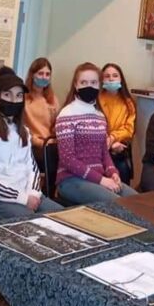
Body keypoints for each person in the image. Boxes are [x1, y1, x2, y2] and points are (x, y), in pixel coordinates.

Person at [0, 67, 63, 219]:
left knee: (64, 217)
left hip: (28, 194)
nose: (14, 101)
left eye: (19, 95)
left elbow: (32, 167)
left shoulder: (23, 131)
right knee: (34, 224)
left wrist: (33, 193)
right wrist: (22, 198)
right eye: (7, 95)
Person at [55, 62, 138, 203]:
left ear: (99, 85)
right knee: (119, 205)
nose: (89, 86)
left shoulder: (99, 115)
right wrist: (101, 180)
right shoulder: (66, 114)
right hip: (71, 180)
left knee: (139, 201)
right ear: (76, 85)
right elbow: (68, 159)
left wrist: (113, 172)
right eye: (84, 82)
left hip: (98, 178)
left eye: (93, 82)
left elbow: (104, 153)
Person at [99, 63, 136, 185]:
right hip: (98, 147)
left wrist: (113, 138)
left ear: (121, 79)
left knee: (122, 169)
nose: (111, 79)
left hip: (119, 146)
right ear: (102, 80)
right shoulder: (96, 99)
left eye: (115, 76)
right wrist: (107, 141)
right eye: (107, 76)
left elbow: (129, 129)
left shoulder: (128, 102)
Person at [23, 57, 60, 179]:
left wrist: (54, 140)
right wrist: (40, 142)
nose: (44, 77)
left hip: (51, 143)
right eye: (40, 73)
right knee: (50, 159)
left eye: (47, 74)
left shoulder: (52, 99)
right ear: (32, 75)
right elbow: (21, 128)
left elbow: (57, 124)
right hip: (32, 146)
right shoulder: (23, 98)